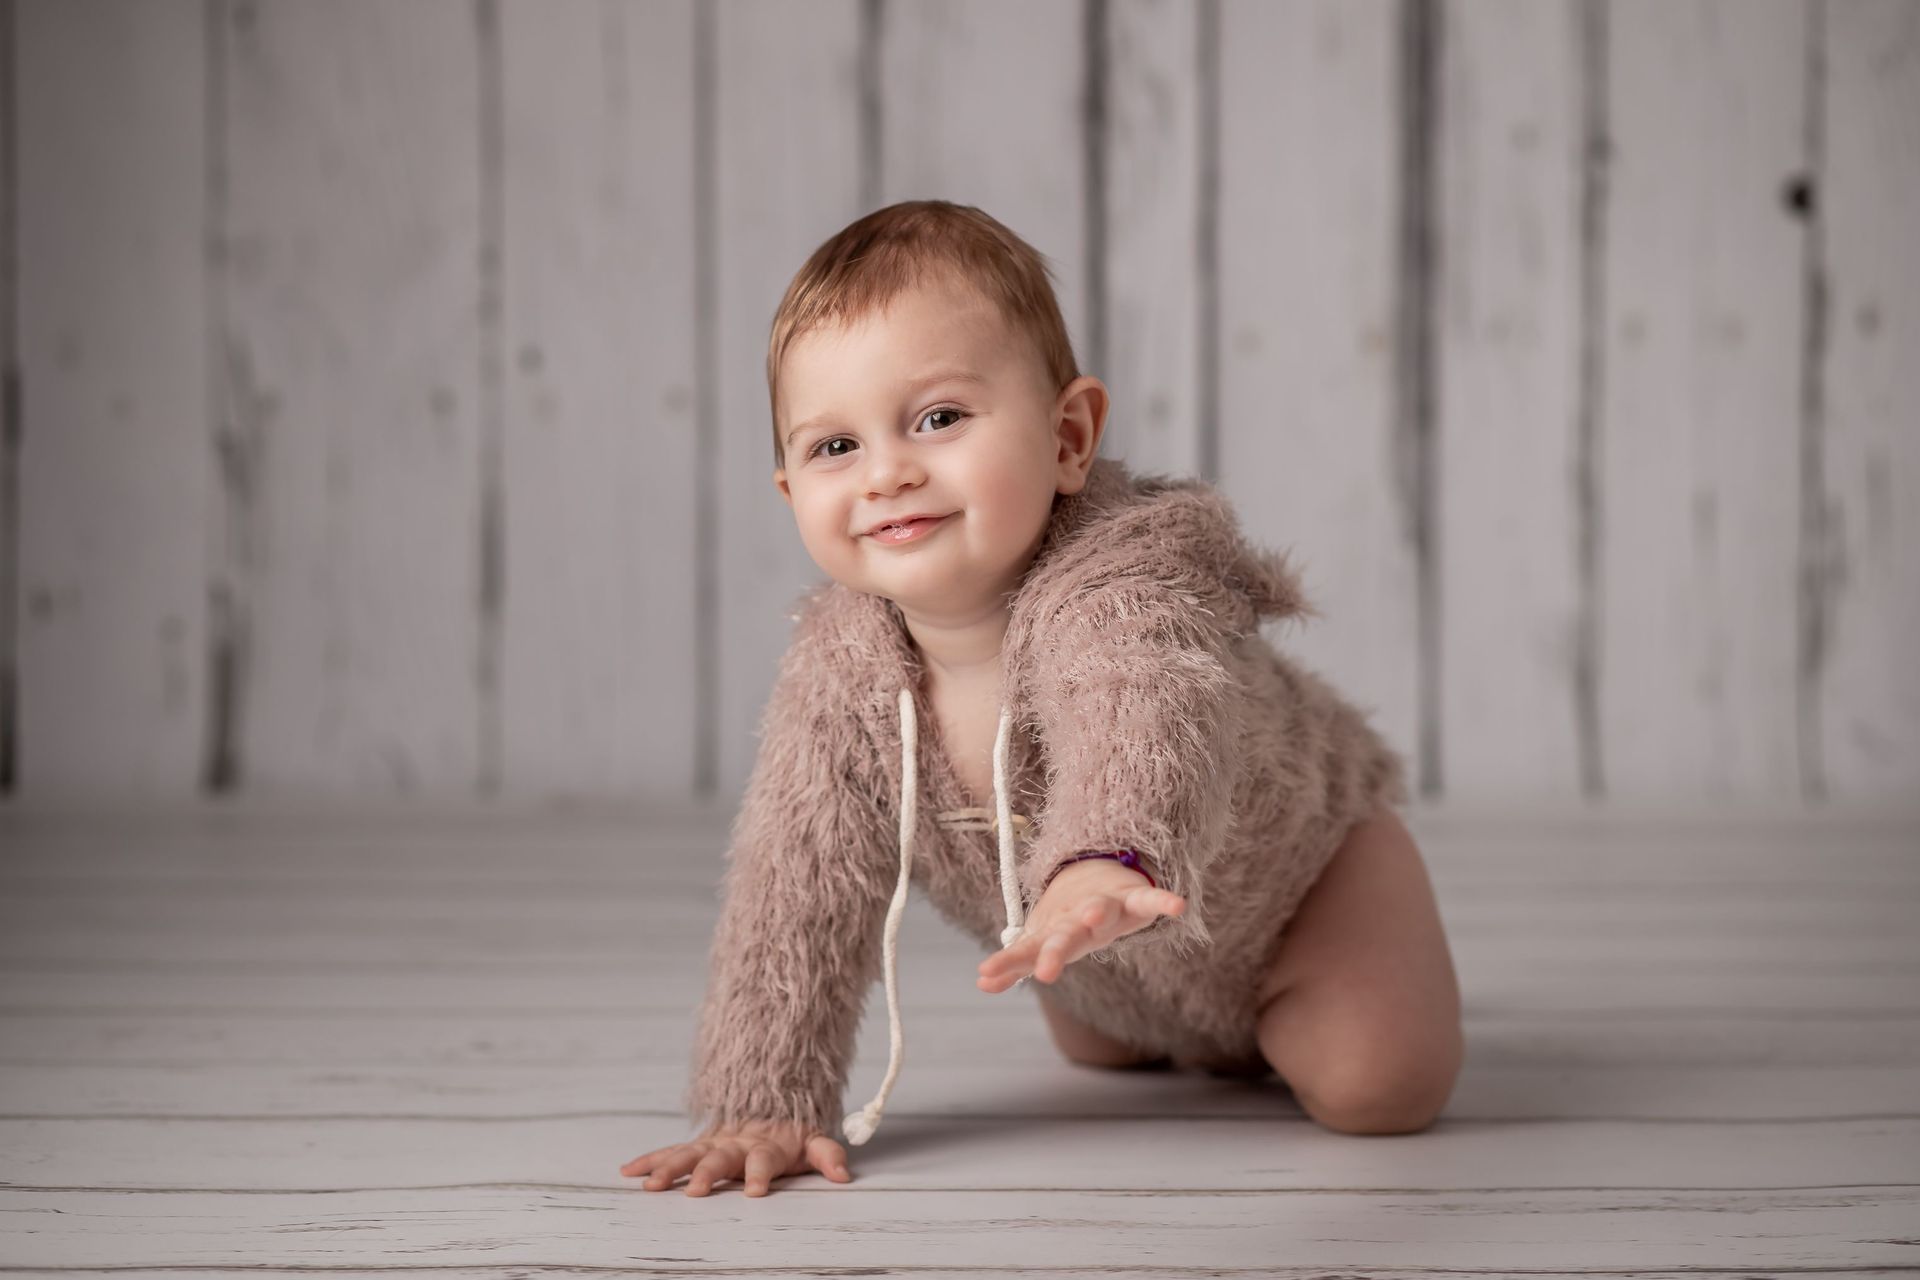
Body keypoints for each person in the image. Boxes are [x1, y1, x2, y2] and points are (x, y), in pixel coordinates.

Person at [618, 200, 1462, 1198]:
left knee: (1377, 1085)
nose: (888, 471)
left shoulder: (1121, 588)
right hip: (1100, 946)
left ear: (1068, 436)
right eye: (833, 447)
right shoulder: (836, 677)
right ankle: (1145, 1007)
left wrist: (1109, 854)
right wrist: (765, 1099)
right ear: (791, 491)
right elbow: (792, 891)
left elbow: (1146, 721)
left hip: (1301, 890)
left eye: (938, 418)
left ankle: (1335, 968)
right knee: (1099, 1045)